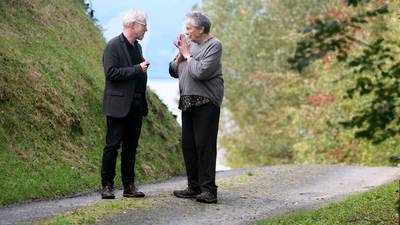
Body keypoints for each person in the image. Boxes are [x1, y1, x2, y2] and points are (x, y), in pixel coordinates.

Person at [169, 11, 223, 204]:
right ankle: (194, 187)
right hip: (188, 101)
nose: (187, 32)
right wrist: (179, 58)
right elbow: (174, 71)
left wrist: (186, 55)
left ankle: (209, 190)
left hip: (206, 102)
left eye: (189, 28)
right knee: (189, 146)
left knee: (204, 146)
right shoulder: (189, 45)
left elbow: (201, 72)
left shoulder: (214, 46)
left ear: (201, 28)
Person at [100, 9, 150, 199]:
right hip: (118, 106)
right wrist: (137, 69)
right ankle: (107, 186)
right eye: (144, 26)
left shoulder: (137, 47)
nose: (146, 29)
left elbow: (136, 75)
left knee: (131, 147)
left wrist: (140, 71)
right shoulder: (113, 46)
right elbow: (111, 73)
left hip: (136, 106)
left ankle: (129, 186)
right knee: (112, 146)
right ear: (133, 25)